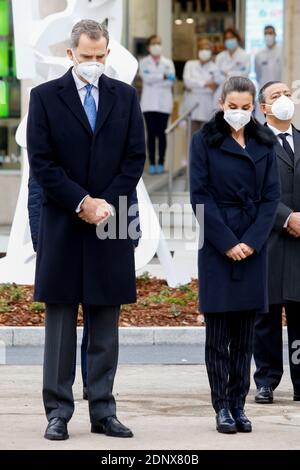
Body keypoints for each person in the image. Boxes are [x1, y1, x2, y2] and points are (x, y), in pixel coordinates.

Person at [26, 19, 146, 441]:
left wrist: (104, 204)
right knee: (60, 324)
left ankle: (103, 409)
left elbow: (134, 159)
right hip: (64, 219)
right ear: (70, 54)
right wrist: (82, 202)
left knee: (105, 322)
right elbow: (42, 163)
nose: (94, 63)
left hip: (110, 221)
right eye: (87, 56)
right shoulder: (43, 98)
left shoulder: (125, 97)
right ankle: (57, 410)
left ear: (107, 53)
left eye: (101, 56)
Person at [190, 76, 280, 434]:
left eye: (245, 108)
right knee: (218, 336)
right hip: (217, 243)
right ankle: (222, 406)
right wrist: (227, 241)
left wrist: (253, 241)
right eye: (232, 107)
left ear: (254, 107)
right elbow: (199, 196)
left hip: (253, 244)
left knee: (246, 336)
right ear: (221, 103)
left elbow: (271, 197)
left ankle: (240, 405)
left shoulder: (264, 141)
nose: (239, 114)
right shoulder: (204, 141)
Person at [27, 174, 141, 402]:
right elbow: (39, 185)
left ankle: (95, 388)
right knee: (61, 322)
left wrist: (132, 231)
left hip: (107, 229)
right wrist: (40, 238)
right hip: (62, 232)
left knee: (101, 318)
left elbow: (128, 186)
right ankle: (59, 406)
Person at [254, 81, 300, 404]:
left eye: (287, 94)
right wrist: (287, 217)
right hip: (269, 240)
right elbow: (254, 192)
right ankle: (266, 379)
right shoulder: (254, 145)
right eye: (275, 96)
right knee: (266, 317)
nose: (284, 100)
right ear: (264, 108)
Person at [139, 35, 176, 175]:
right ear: (149, 47)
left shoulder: (168, 62)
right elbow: (146, 79)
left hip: (164, 104)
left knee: (162, 134)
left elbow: (171, 80)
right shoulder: (144, 62)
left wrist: (159, 77)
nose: (157, 46)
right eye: (154, 43)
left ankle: (161, 162)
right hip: (148, 104)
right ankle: (152, 164)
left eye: (159, 43)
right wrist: (163, 77)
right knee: (151, 133)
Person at [183, 38, 222, 135]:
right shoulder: (190, 64)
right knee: (192, 137)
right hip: (192, 105)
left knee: (207, 138)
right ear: (197, 50)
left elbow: (216, 85)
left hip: (208, 106)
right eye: (202, 48)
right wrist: (205, 84)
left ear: (211, 51)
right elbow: (187, 82)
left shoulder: (215, 68)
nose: (204, 51)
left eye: (207, 49)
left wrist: (196, 84)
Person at [214, 28, 251, 108]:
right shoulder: (220, 57)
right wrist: (235, 73)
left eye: (231, 38)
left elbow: (244, 75)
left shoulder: (245, 55)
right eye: (227, 38)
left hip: (240, 92)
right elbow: (217, 77)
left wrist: (227, 73)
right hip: (222, 92)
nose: (229, 40)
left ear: (237, 39)